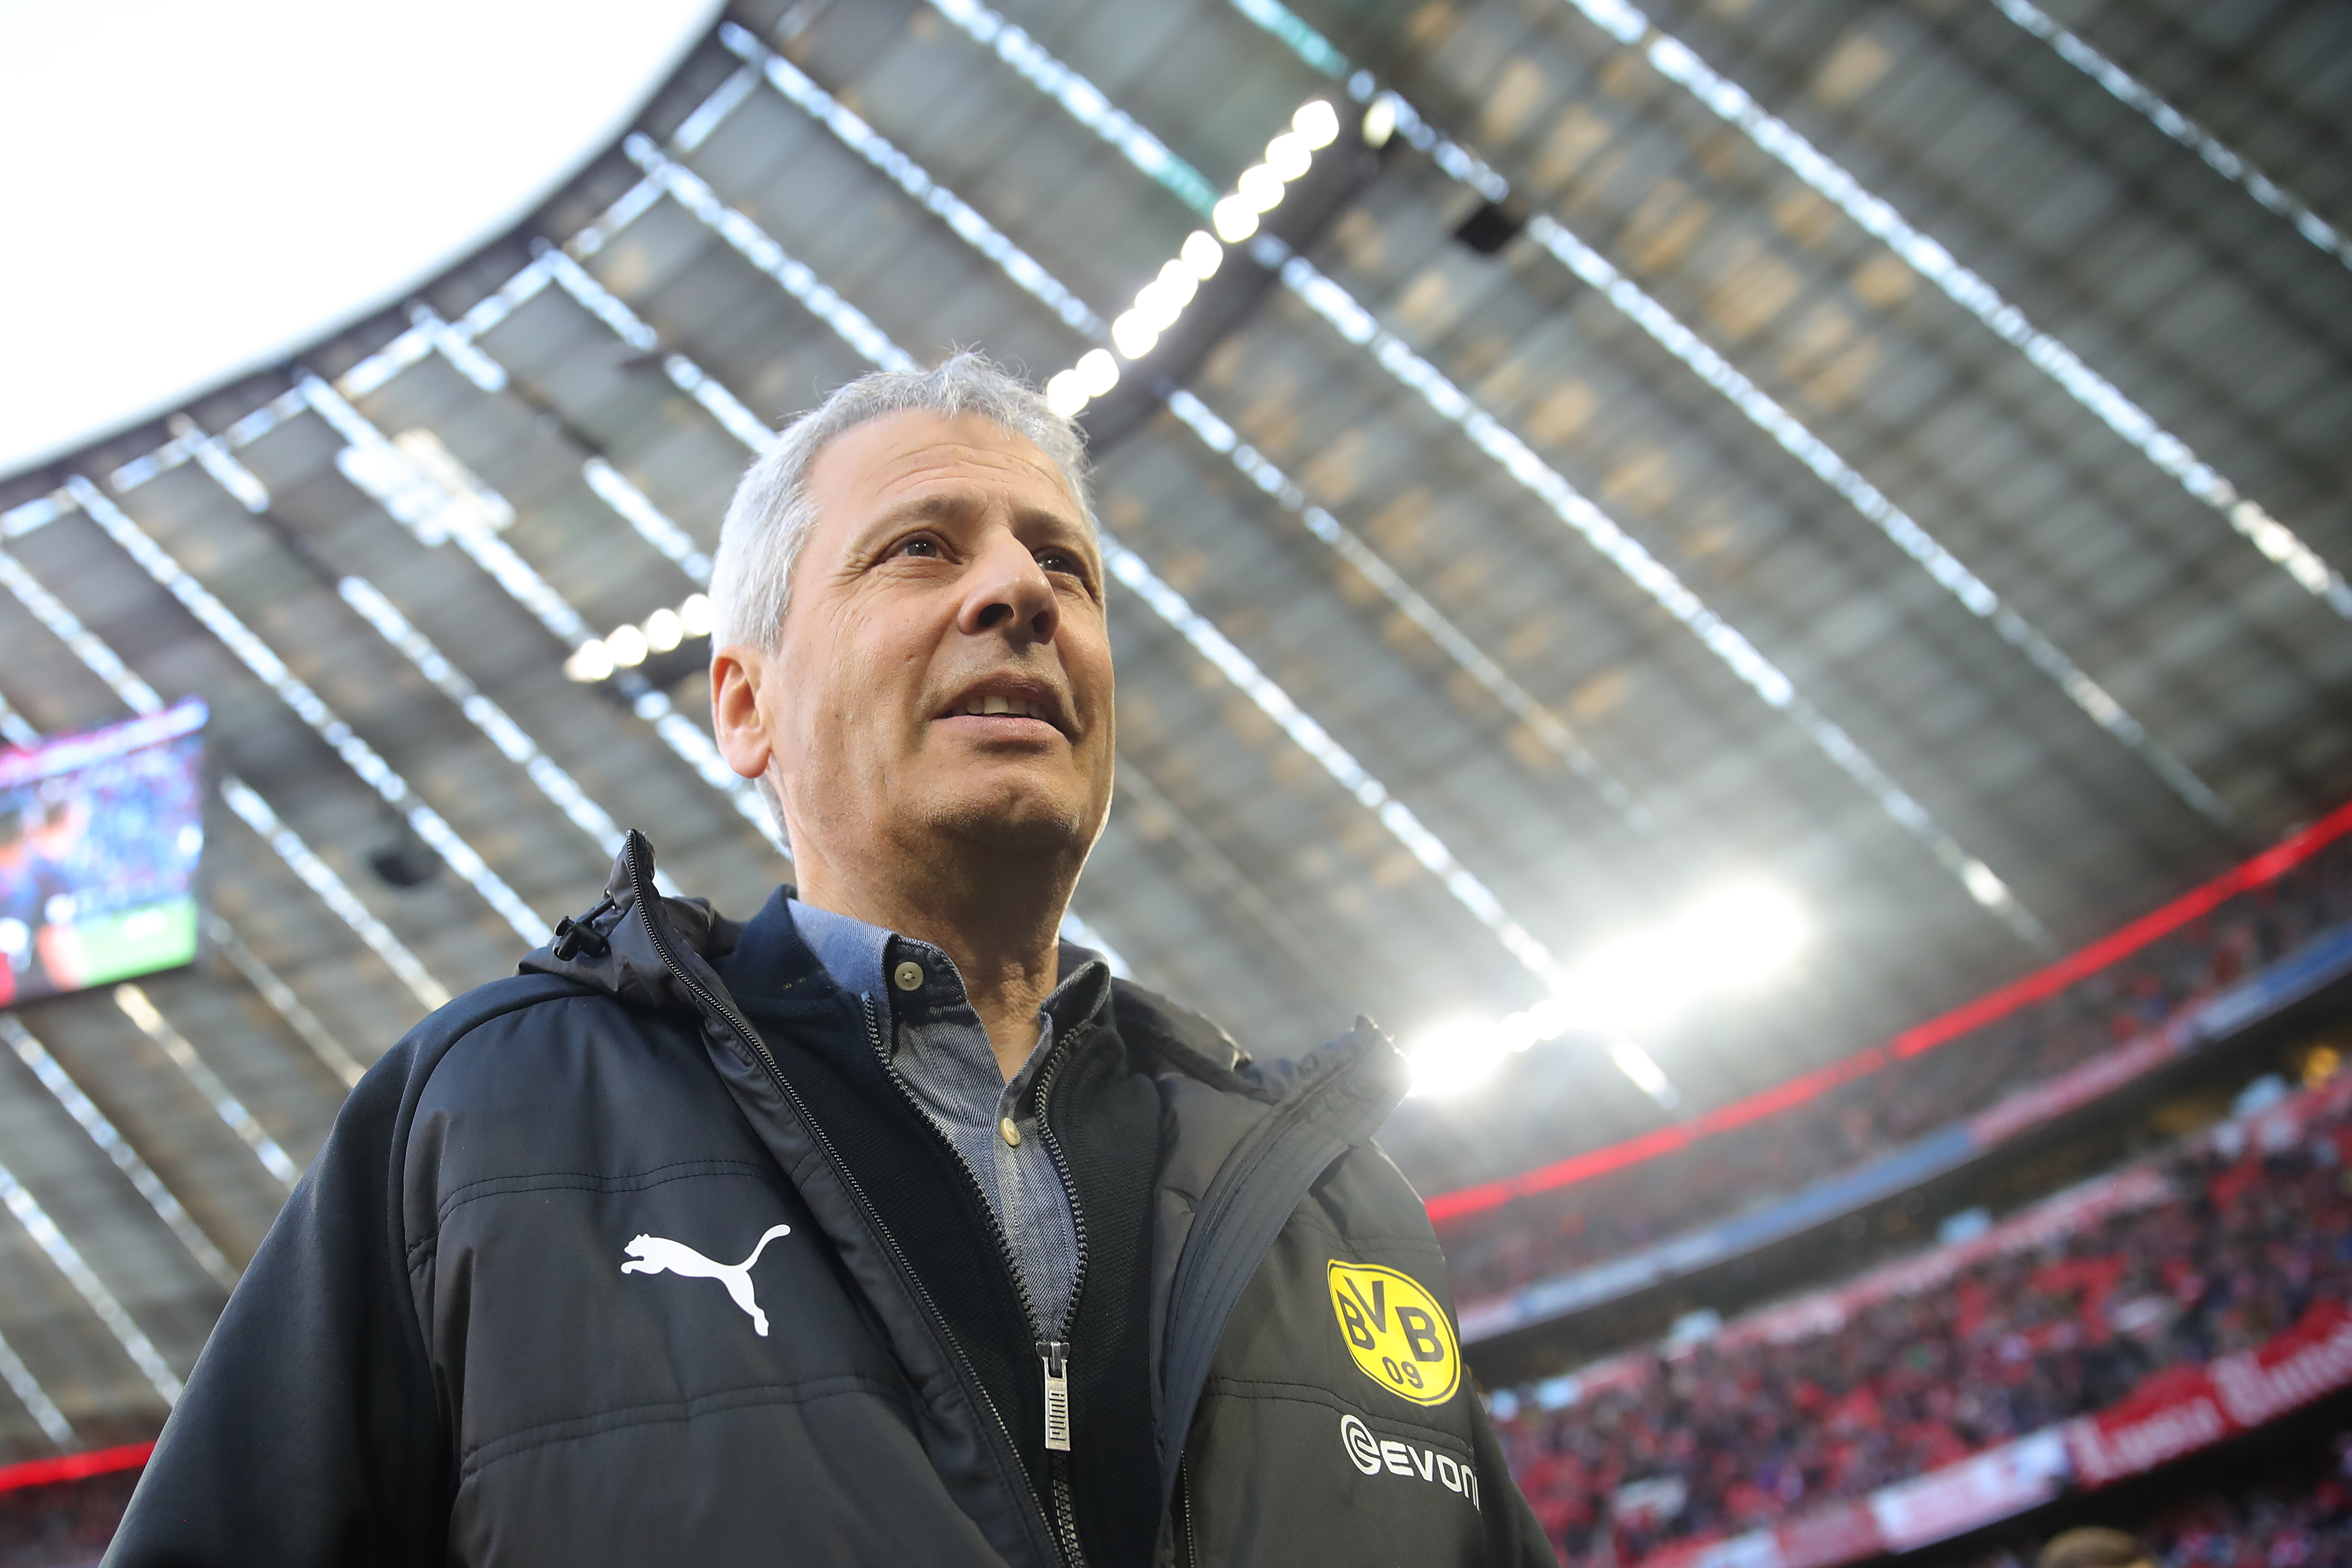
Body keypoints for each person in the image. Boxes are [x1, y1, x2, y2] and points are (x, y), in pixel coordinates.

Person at [105, 353, 1550, 1566]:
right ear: (748, 707)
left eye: (1065, 565)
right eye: (923, 547)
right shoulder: (484, 1122)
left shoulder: (1333, 1204)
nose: (1022, 595)